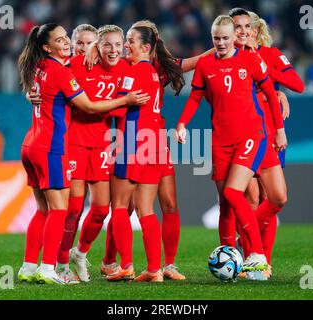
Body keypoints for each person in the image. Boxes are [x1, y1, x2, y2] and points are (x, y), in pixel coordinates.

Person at [16, 23, 149, 285]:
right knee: (66, 210)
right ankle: (55, 265)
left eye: (71, 39)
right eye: (66, 39)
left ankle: (54, 260)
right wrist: (125, 101)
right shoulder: (70, 67)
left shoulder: (123, 68)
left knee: (96, 209)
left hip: (87, 145)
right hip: (64, 145)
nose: (72, 44)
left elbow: (40, 86)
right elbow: (85, 105)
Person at [175, 15, 287, 272]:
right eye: (217, 39)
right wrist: (181, 124)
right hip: (221, 141)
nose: (222, 43)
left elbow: (270, 92)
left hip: (251, 136)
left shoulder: (249, 59)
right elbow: (195, 97)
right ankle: (238, 257)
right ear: (211, 38)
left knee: (272, 197)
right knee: (227, 202)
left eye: (226, 38)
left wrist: (279, 130)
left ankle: (251, 250)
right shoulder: (205, 64)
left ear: (234, 38)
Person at [105, 22, 185, 282]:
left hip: (132, 142)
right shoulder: (151, 72)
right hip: (153, 143)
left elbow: (117, 110)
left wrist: (104, 102)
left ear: (146, 47)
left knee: (118, 206)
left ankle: (126, 265)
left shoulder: (134, 72)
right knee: (145, 209)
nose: (126, 44)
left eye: (130, 40)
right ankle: (154, 269)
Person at [229, 9, 305, 278]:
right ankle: (253, 257)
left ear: (257, 31)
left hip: (270, 133)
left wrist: (273, 85)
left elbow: (298, 84)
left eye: (249, 27)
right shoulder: (229, 56)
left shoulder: (270, 55)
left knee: (269, 198)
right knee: (250, 198)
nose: (245, 32)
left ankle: (260, 255)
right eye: (239, 27)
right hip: (242, 134)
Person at [55, 25, 131, 283]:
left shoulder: (124, 70)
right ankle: (61, 263)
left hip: (101, 144)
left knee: (100, 209)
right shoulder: (77, 64)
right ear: (98, 46)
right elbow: (51, 83)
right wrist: (33, 93)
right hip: (75, 142)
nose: (113, 50)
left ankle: (81, 252)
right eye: (107, 44)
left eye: (117, 45)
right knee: (74, 208)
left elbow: (122, 111)